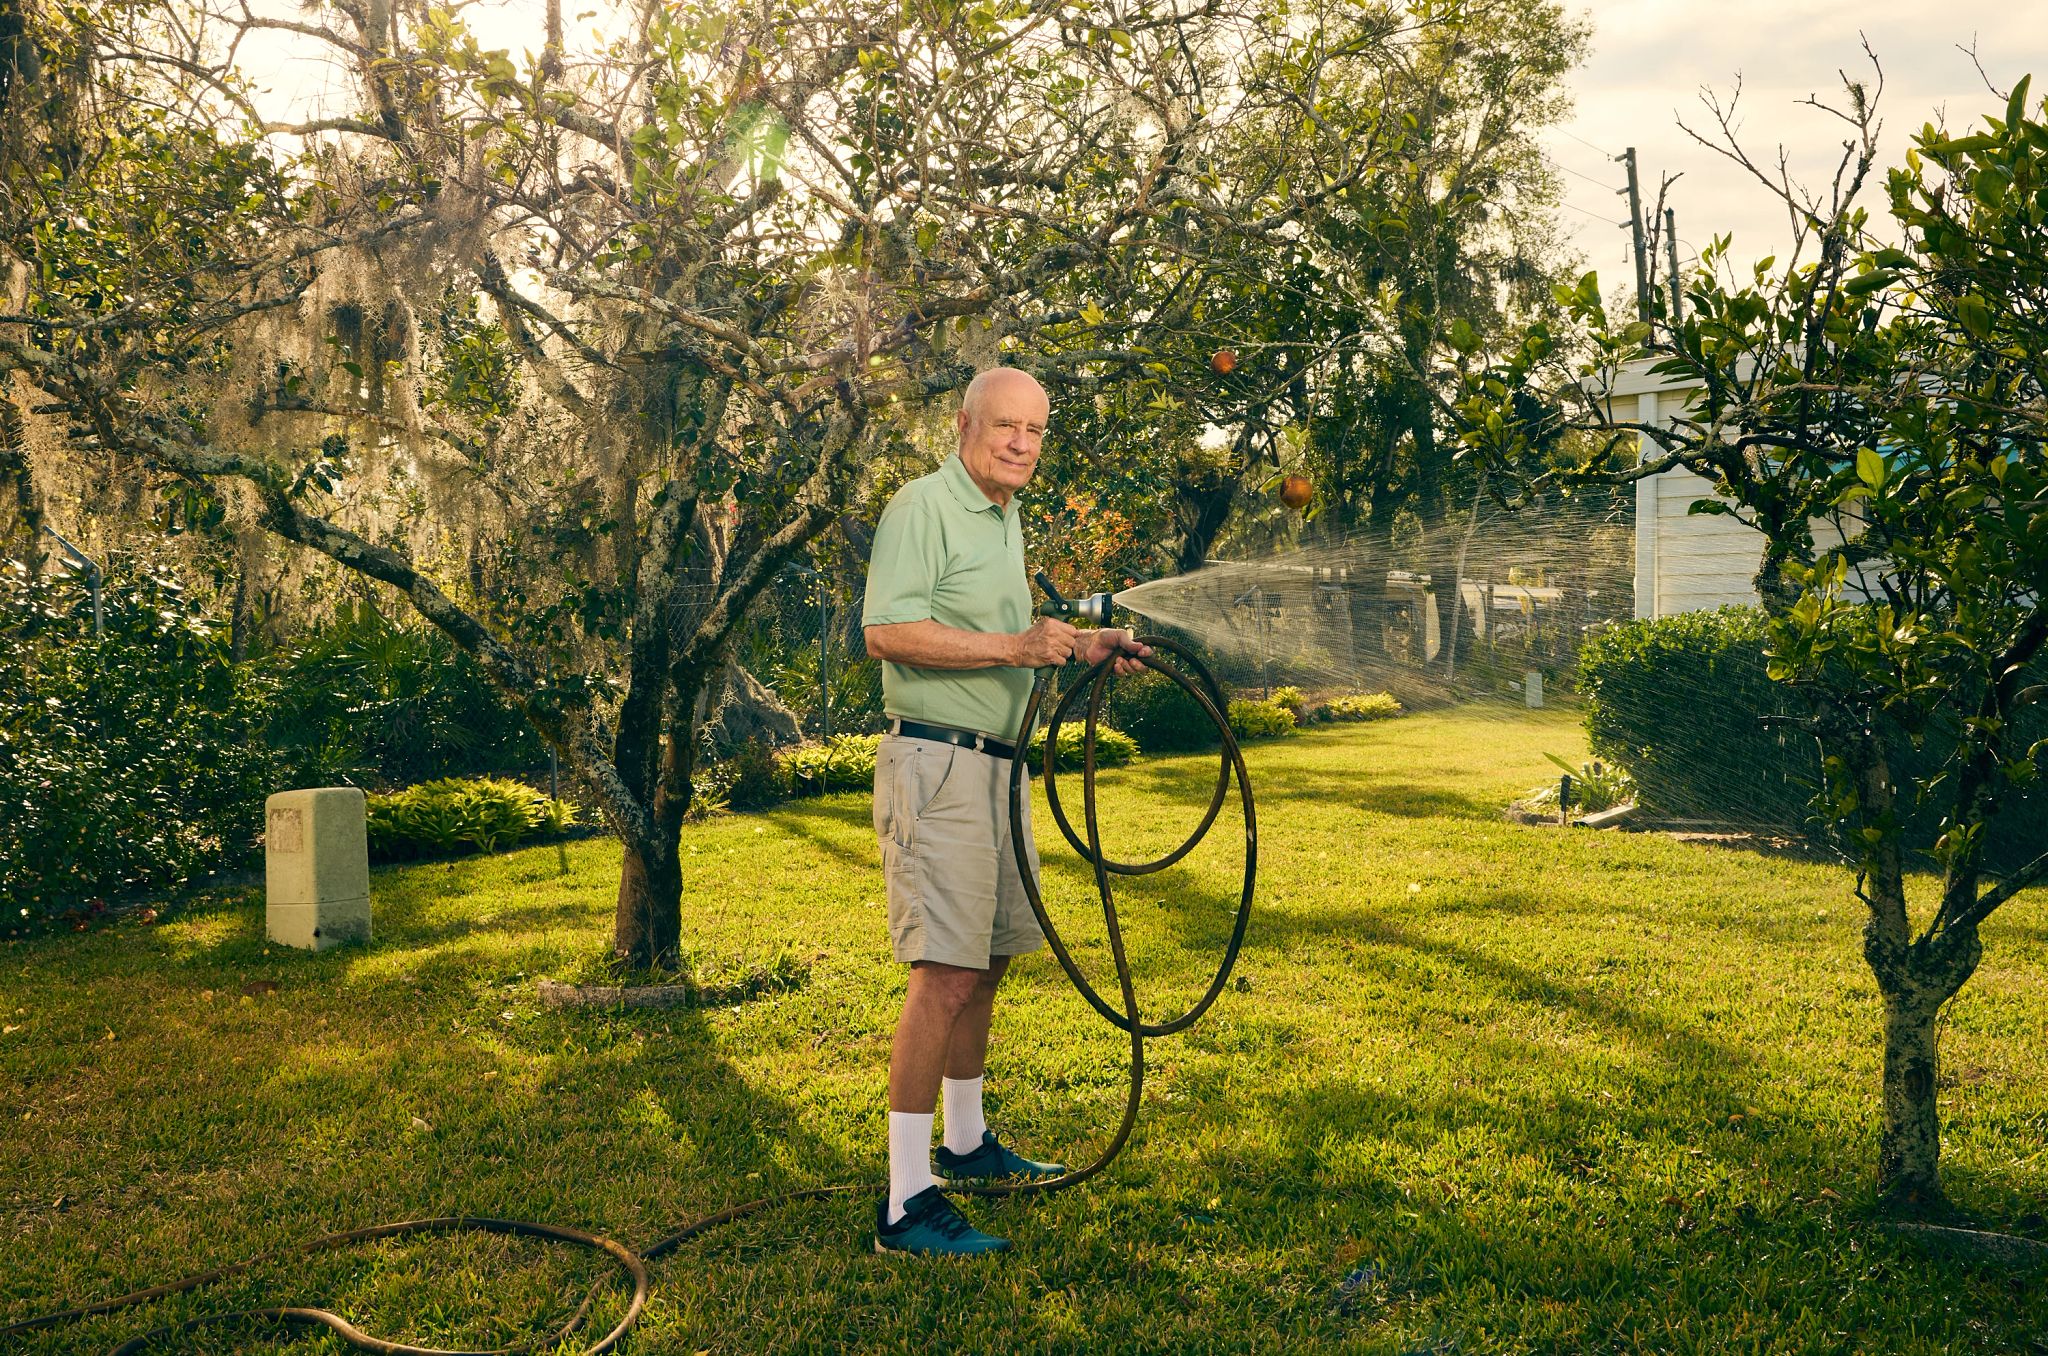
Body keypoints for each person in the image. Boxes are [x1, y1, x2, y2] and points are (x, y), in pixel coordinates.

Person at [861, 366, 1149, 1256]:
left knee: (986, 964)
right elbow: (887, 630)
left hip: (997, 770)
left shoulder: (1002, 516)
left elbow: (1009, 640)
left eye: (1035, 430)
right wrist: (1014, 643)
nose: (1022, 443)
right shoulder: (923, 506)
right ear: (964, 425)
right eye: (1005, 427)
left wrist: (1078, 645)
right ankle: (905, 1203)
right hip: (937, 765)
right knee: (943, 973)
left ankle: (965, 1143)